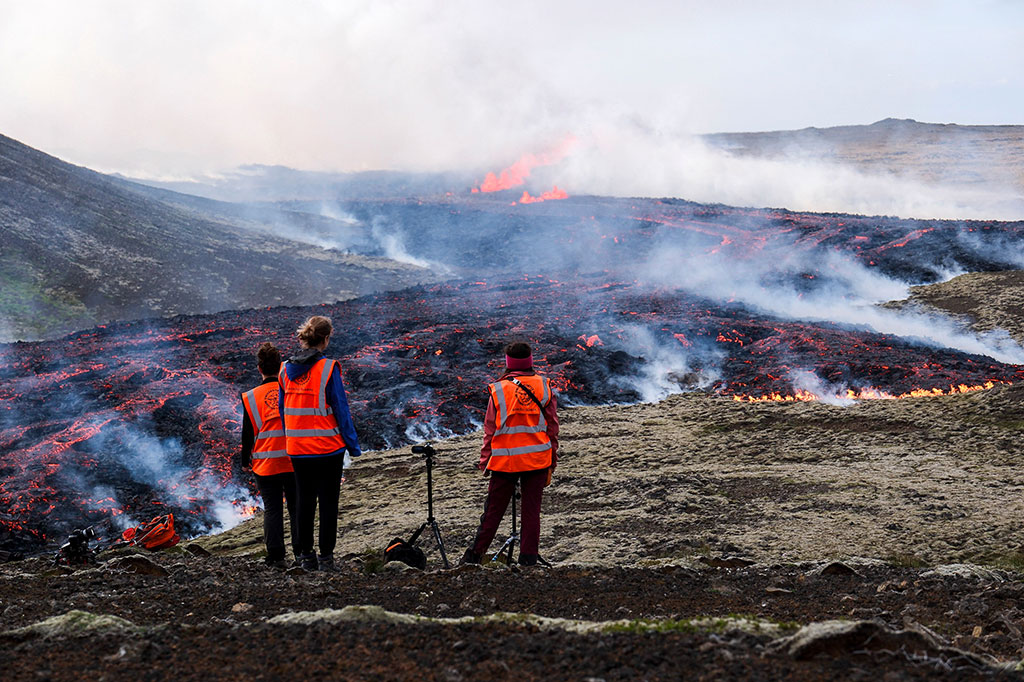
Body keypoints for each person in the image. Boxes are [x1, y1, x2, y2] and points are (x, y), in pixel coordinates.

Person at [463, 341, 558, 567]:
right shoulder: (544, 386)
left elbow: (490, 429)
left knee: (492, 513)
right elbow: (552, 427)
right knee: (531, 512)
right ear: (530, 360)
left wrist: (485, 461)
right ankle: (528, 561)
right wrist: (552, 461)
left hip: (504, 460)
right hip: (537, 459)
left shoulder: (498, 389)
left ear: (508, 363)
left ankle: (473, 559)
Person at [278, 315, 362, 571]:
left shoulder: (284, 369)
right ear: (326, 338)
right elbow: (340, 408)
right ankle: (326, 558)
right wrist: (352, 445)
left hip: (298, 450)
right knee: (328, 503)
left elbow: (283, 410)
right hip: (327, 449)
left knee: (304, 502)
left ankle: (306, 557)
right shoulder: (328, 368)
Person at [240, 342, 298, 568]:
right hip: (293, 459)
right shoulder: (291, 389)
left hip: (265, 463)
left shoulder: (251, 397)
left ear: (259, 368)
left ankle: (276, 556)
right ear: (280, 366)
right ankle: (302, 552)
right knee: (296, 508)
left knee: (273, 508)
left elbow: (247, 433)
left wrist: (245, 460)